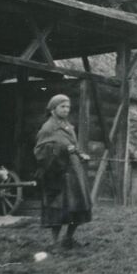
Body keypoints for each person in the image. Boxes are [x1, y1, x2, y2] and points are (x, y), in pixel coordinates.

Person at [34, 94, 92, 249]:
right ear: (53, 109)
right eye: (62, 107)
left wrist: (80, 154)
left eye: (68, 107)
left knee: (78, 206)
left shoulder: (68, 126)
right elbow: (40, 152)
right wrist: (61, 150)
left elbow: (72, 145)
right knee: (58, 209)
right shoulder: (48, 128)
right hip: (58, 175)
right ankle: (54, 243)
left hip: (74, 173)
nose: (66, 110)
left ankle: (68, 239)